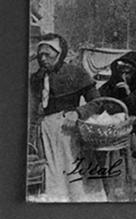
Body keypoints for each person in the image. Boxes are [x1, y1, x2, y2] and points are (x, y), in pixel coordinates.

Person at [28, 33, 106, 201]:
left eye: (47, 55)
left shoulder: (76, 73)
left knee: (76, 180)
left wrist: (78, 112)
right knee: (53, 178)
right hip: (46, 135)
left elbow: (98, 103)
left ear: (59, 53)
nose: (42, 59)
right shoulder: (36, 78)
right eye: (40, 54)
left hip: (71, 134)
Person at [98, 51, 136, 201]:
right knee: (116, 174)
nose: (124, 75)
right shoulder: (109, 86)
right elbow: (99, 103)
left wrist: (128, 95)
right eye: (121, 70)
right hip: (115, 137)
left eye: (129, 71)